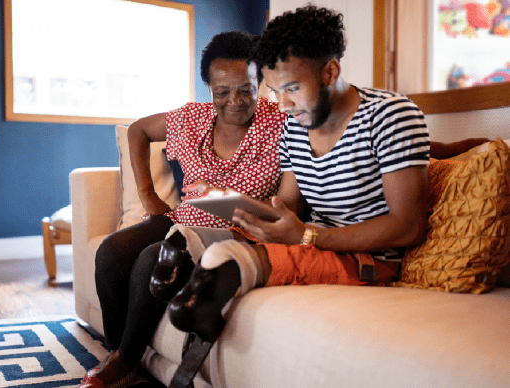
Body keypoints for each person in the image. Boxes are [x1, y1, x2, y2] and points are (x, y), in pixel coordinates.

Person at [164, 3, 433, 365]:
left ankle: (207, 299)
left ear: (330, 71)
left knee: (225, 263)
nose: (283, 104)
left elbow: (408, 226)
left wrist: (308, 237)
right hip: (315, 240)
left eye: (292, 87)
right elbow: (288, 206)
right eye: (274, 91)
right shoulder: (295, 127)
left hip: (369, 260)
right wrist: (232, 202)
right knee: (189, 235)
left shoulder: (391, 116)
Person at [80, 31, 286, 388]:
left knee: (152, 259)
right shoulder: (192, 119)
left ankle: (124, 363)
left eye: (246, 90)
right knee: (111, 253)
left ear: (260, 83)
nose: (234, 101)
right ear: (208, 88)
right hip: (184, 218)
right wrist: (148, 196)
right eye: (222, 92)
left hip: (238, 231)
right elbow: (138, 130)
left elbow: (293, 198)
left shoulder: (280, 123)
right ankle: (117, 352)